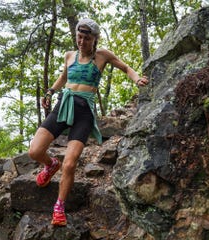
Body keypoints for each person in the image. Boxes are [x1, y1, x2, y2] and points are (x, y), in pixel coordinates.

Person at [28, 18, 149, 226]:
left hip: (84, 112)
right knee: (34, 151)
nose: (82, 41)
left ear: (94, 39)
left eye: (87, 38)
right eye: (79, 37)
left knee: (70, 163)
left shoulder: (102, 56)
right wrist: (50, 91)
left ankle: (59, 207)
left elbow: (126, 68)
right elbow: (64, 77)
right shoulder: (69, 56)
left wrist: (137, 79)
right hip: (63, 105)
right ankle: (50, 165)